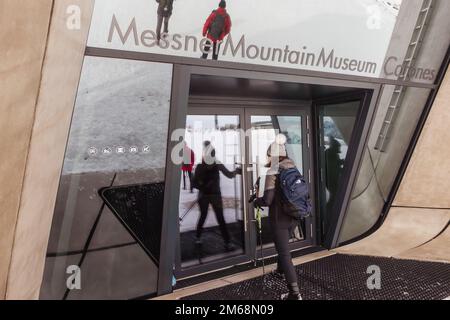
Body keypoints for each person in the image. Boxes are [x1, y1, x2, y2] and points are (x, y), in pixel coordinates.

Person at [253, 134, 302, 300]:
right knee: (284, 249)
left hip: (279, 219)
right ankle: (280, 272)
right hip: (293, 215)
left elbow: (267, 200)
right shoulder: (293, 167)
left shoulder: (273, 170)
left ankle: (294, 294)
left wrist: (256, 201)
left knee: (284, 254)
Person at [192, 141, 241, 252]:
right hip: (207, 196)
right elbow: (194, 183)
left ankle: (225, 242)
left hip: (211, 195)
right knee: (209, 217)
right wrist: (203, 187)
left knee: (215, 218)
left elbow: (228, 174)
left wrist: (236, 172)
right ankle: (200, 238)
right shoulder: (203, 166)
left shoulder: (211, 165)